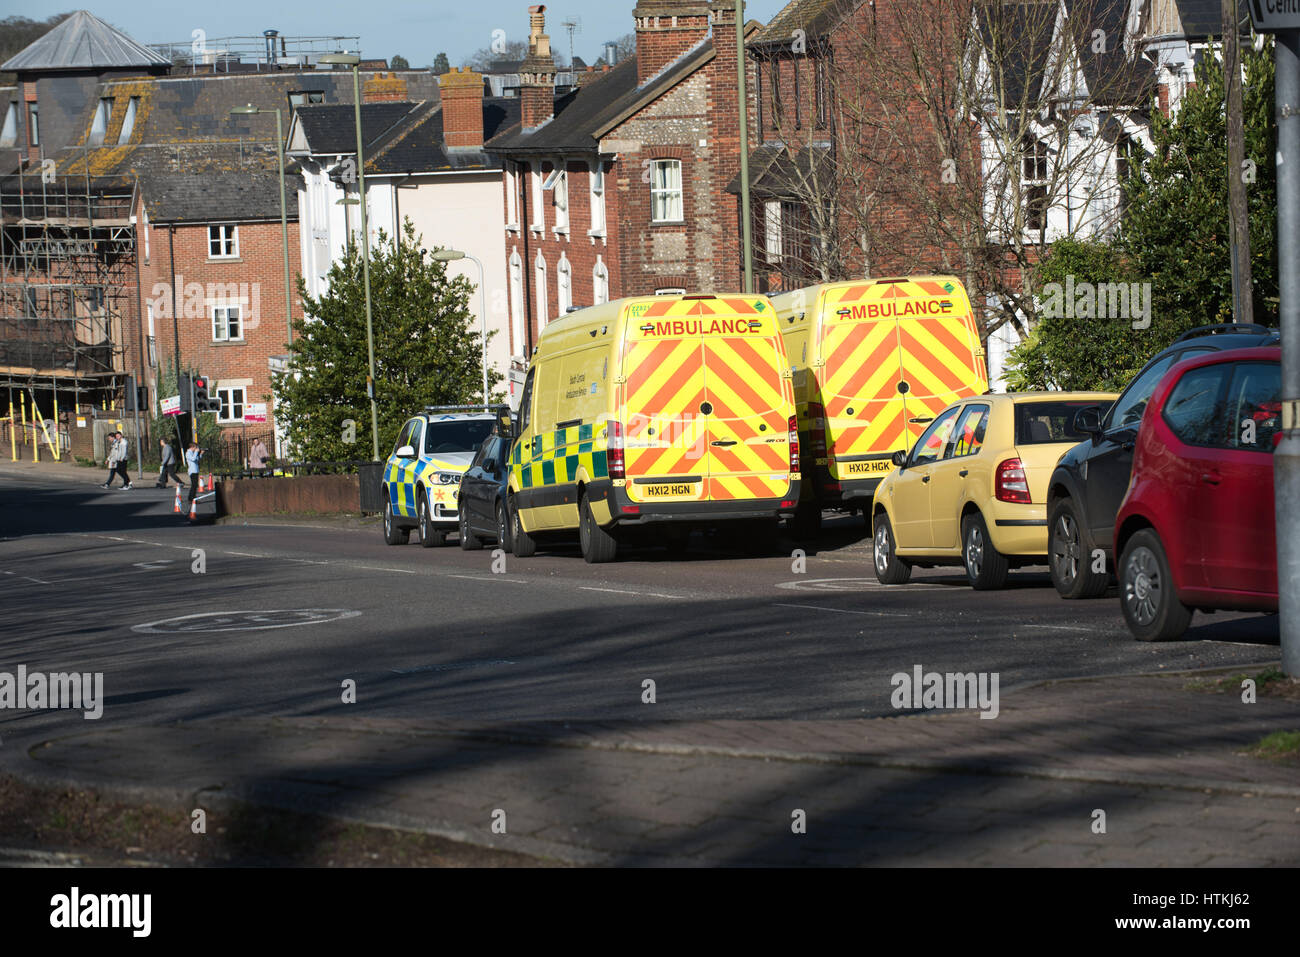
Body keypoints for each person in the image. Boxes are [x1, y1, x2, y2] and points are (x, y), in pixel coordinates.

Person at [185, 441, 204, 506]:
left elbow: (197, 459)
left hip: (195, 470)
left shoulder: (193, 453)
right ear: (192, 447)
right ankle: (191, 499)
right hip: (192, 471)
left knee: (195, 486)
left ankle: (193, 498)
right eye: (195, 447)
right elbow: (193, 459)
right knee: (193, 485)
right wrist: (196, 452)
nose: (196, 449)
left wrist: (201, 454)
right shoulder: (188, 453)